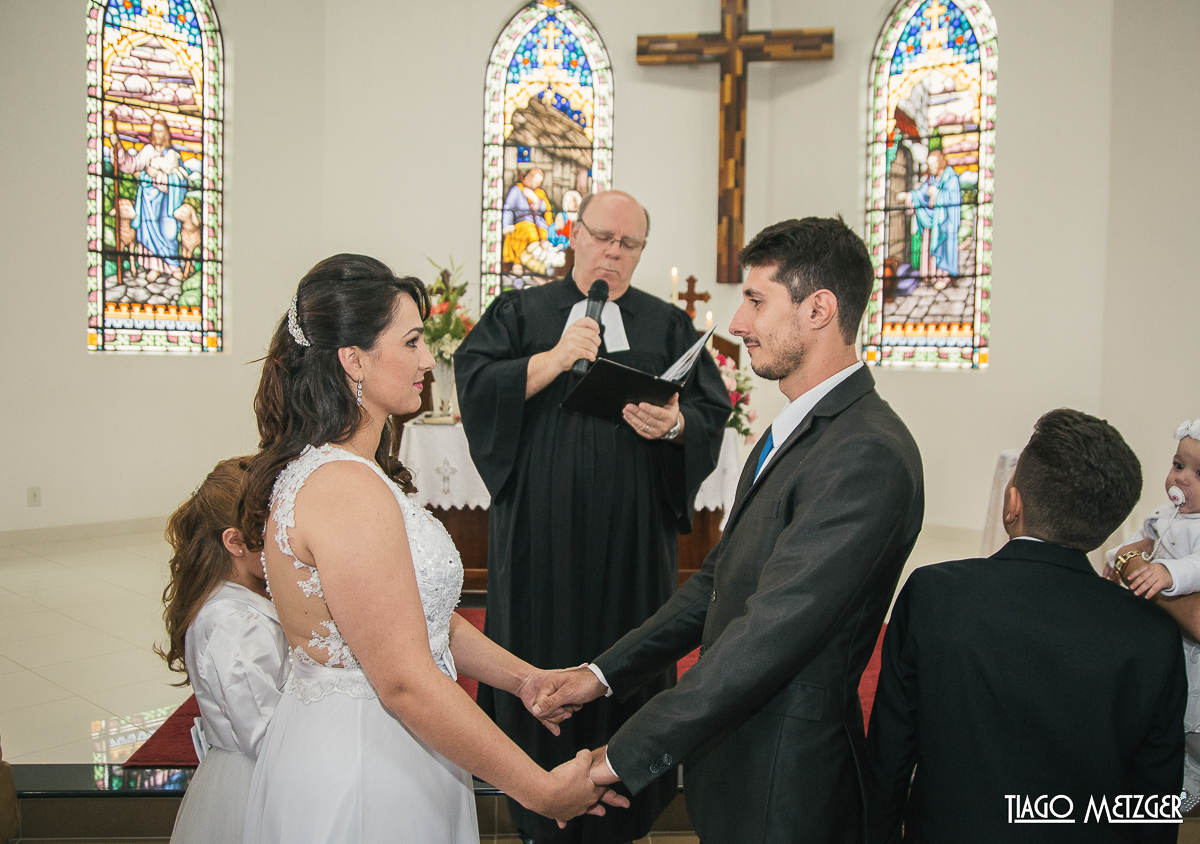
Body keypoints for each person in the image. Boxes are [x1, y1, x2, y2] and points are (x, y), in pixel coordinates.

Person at [533, 216, 925, 844]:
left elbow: (769, 633)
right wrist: (601, 675)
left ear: (819, 309)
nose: (738, 323)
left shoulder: (867, 452)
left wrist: (614, 760)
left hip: (787, 781)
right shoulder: (794, 430)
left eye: (756, 300)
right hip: (736, 760)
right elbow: (715, 583)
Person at [236, 255, 623, 844]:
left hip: (388, 747)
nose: (426, 360)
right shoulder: (346, 489)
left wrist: (523, 679)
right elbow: (405, 683)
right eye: (412, 342)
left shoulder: (348, 471)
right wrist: (541, 790)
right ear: (353, 359)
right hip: (365, 765)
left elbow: (417, 617)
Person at [455, 190, 732, 843]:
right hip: (539, 538)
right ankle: (535, 796)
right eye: (602, 236)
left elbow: (710, 410)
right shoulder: (519, 312)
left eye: (628, 243)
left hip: (633, 542)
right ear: (573, 235)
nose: (613, 250)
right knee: (538, 649)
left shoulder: (667, 324)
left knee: (629, 650)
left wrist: (676, 426)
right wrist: (552, 360)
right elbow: (476, 385)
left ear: (640, 252)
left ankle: (623, 802)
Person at [867, 409, 1186, 842]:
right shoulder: (1152, 634)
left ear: (1012, 503)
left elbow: (888, 758)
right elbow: (1153, 803)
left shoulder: (934, 595)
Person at [155, 456, 288, 844]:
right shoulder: (234, 623)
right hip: (256, 781)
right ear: (234, 542)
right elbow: (262, 733)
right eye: (276, 529)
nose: (289, 541)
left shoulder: (247, 599)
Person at [1108, 418, 1200, 809]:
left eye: (1199, 474)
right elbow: (1132, 546)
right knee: (1166, 708)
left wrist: (1167, 573)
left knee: (1193, 713)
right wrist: (1116, 558)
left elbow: (1196, 565)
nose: (1182, 478)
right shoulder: (1166, 514)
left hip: (1193, 648)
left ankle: (1193, 780)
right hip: (1166, 637)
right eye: (1179, 465)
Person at [110, 115, 189, 278]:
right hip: (147, 201)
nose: (158, 135)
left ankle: (173, 266)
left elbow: (181, 180)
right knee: (147, 232)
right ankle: (154, 267)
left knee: (168, 232)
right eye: (155, 132)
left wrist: (159, 177)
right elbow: (131, 165)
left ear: (166, 134)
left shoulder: (173, 155)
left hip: (167, 203)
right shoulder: (148, 151)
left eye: (161, 132)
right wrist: (118, 147)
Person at [901, 148, 961, 281]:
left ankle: (944, 276)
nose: (931, 168)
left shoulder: (952, 179)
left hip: (946, 222)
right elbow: (922, 192)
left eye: (933, 164)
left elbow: (953, 199)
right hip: (934, 220)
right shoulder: (932, 179)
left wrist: (937, 193)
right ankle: (932, 274)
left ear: (940, 163)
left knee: (944, 246)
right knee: (930, 246)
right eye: (929, 165)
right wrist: (910, 195)